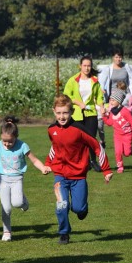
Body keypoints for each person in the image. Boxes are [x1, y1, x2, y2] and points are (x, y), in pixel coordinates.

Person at [44, 94, 112, 245]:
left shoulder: (79, 130)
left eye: (65, 113)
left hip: (78, 176)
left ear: (72, 111)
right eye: (59, 113)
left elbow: (97, 146)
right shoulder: (51, 129)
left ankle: (82, 209)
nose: (62, 116)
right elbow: (55, 147)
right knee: (62, 206)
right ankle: (63, 233)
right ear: (54, 111)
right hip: (60, 175)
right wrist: (48, 163)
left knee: (78, 208)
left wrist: (106, 170)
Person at [63, 55, 105, 171]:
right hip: (77, 114)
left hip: (91, 113)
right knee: (79, 139)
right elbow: (66, 95)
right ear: (80, 66)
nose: (87, 68)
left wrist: (101, 107)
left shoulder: (95, 80)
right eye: (85, 66)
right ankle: (81, 162)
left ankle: (93, 161)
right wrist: (77, 102)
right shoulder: (73, 80)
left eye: (89, 66)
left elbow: (99, 96)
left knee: (91, 138)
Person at [98, 48, 132, 148]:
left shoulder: (126, 66)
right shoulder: (108, 69)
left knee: (127, 115)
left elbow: (131, 79)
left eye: (120, 57)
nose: (118, 59)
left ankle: (129, 136)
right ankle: (118, 138)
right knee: (115, 119)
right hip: (113, 96)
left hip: (125, 94)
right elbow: (102, 81)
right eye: (116, 57)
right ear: (113, 57)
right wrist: (102, 89)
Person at [99, 88, 132, 173]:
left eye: (113, 100)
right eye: (110, 100)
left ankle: (130, 151)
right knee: (118, 151)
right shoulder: (112, 112)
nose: (111, 102)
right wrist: (103, 115)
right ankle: (120, 166)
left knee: (127, 153)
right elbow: (109, 123)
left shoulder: (125, 111)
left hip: (127, 135)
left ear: (119, 101)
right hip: (117, 136)